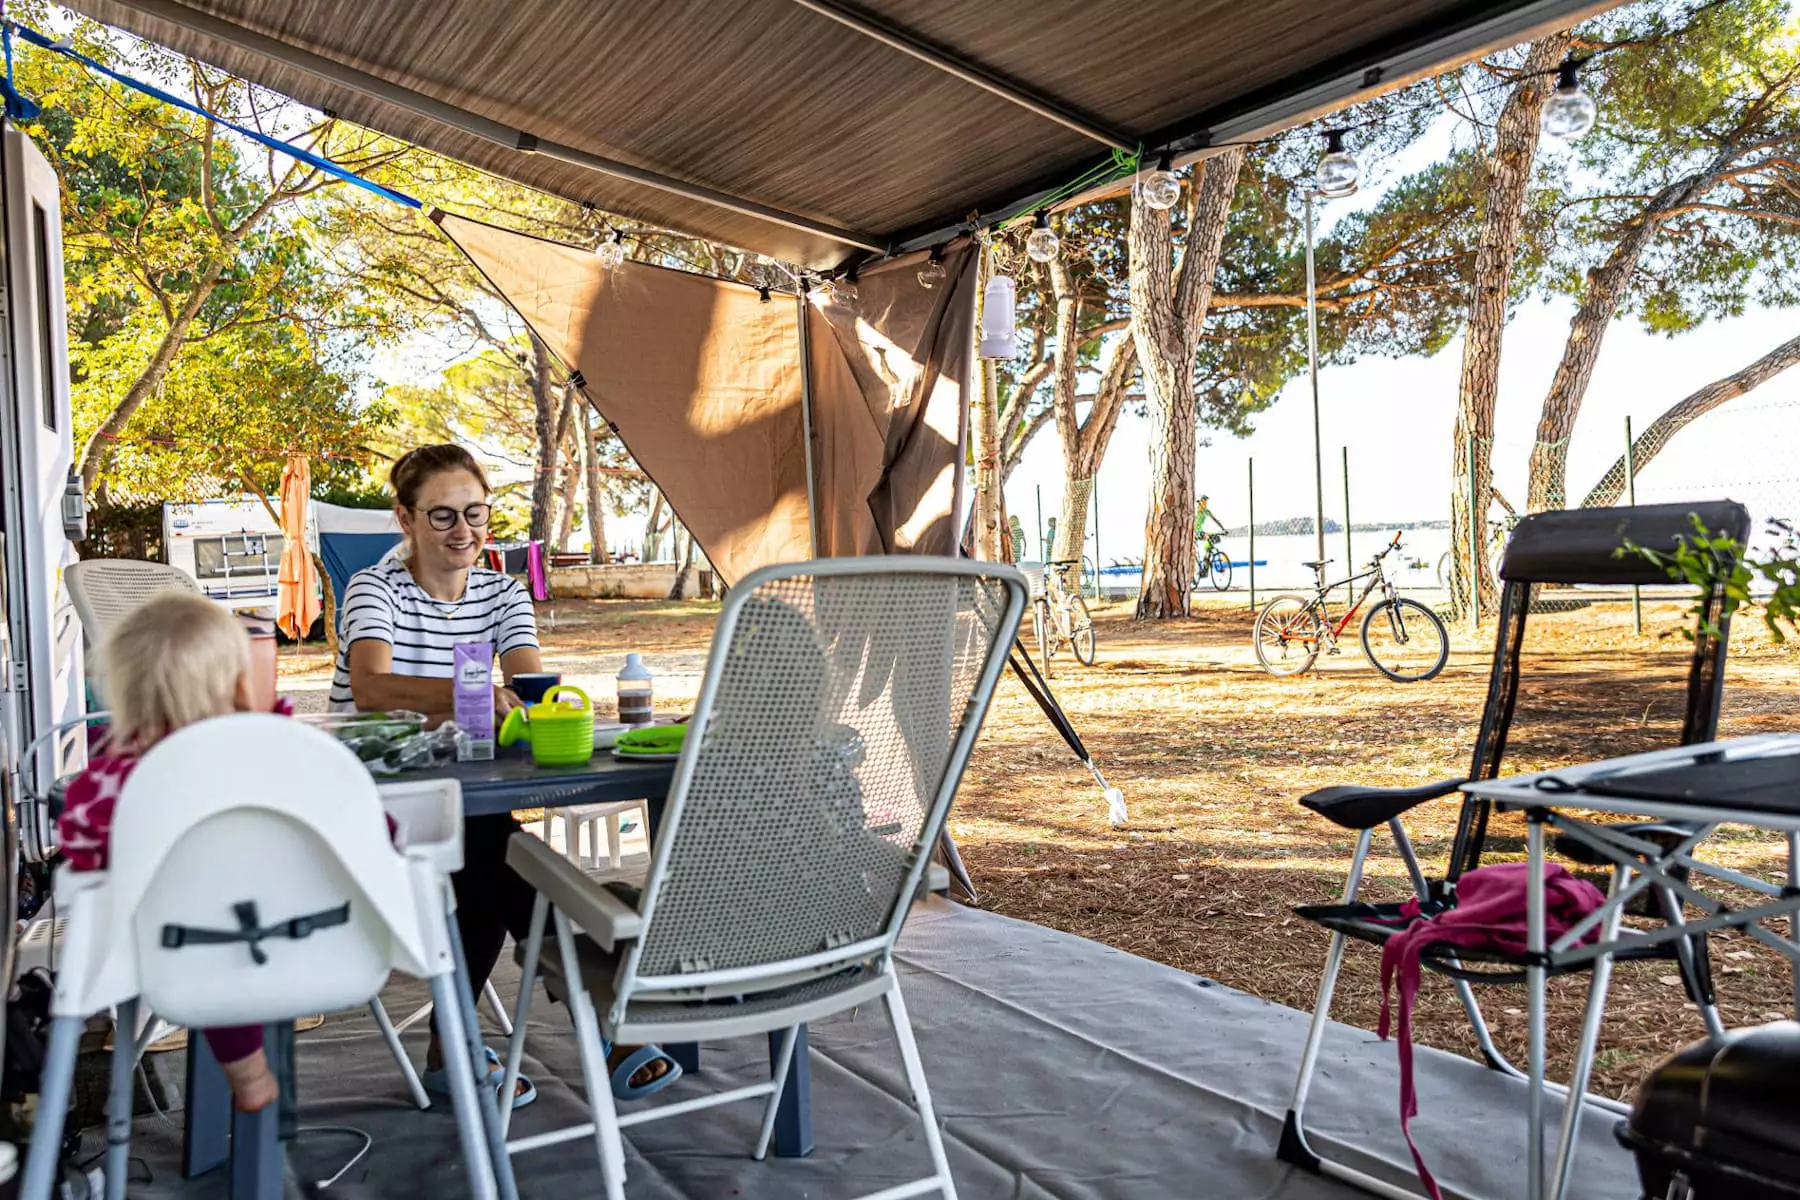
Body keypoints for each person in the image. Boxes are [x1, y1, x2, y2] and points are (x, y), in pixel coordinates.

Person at [332, 444, 678, 1107]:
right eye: (442, 517)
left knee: (488, 848)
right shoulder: (375, 588)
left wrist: (534, 699)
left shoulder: (501, 591)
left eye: (476, 513)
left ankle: (452, 1047)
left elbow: (529, 681)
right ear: (404, 519)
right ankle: (606, 998)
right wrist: (468, 691)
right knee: (495, 849)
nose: (464, 531)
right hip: (379, 799)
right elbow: (372, 687)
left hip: (467, 792)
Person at [58, 593, 289, 1112]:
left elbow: (80, 842)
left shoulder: (115, 778)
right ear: (236, 684)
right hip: (299, 928)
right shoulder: (275, 753)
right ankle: (251, 1074)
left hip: (165, 941)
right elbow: (358, 816)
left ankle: (247, 1075)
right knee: (225, 953)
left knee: (210, 959)